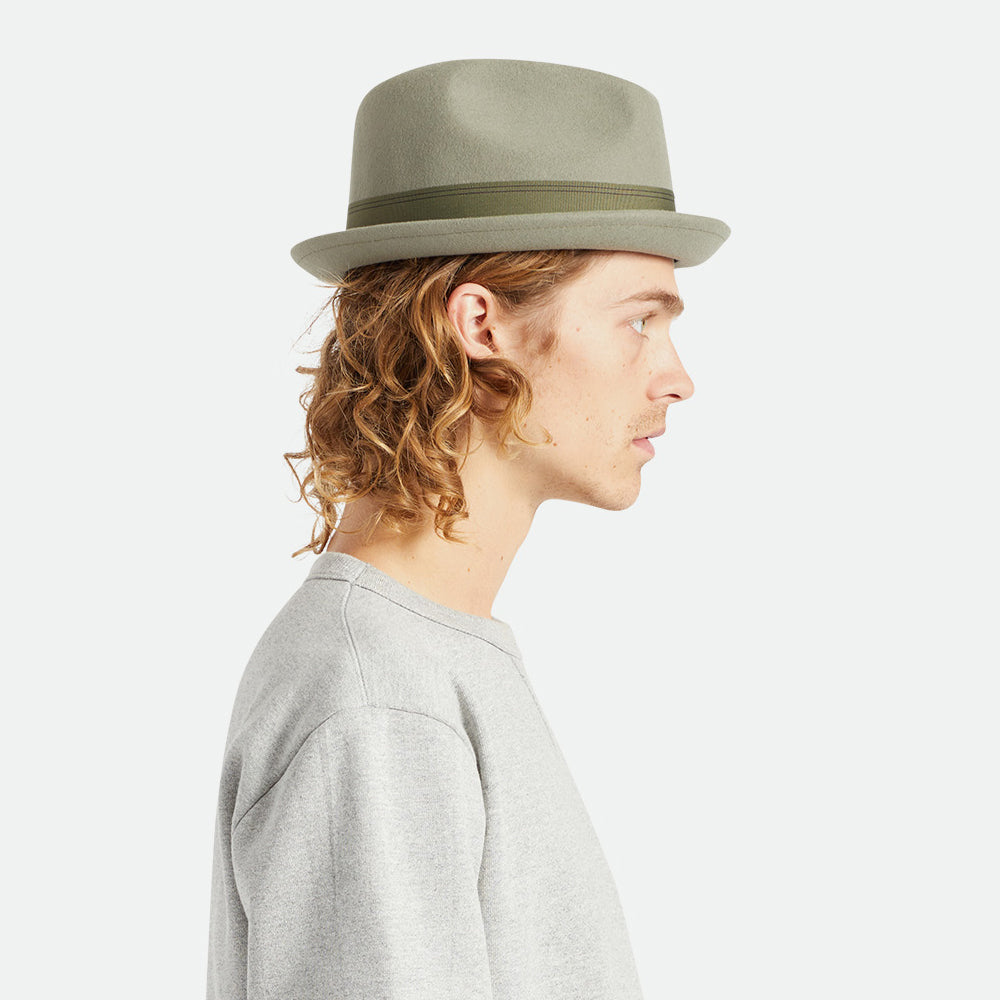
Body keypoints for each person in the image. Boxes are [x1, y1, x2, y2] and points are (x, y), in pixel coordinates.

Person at [206, 58, 729, 1000]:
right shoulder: (377, 699)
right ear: (482, 325)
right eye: (639, 321)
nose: (677, 377)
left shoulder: (420, 659)